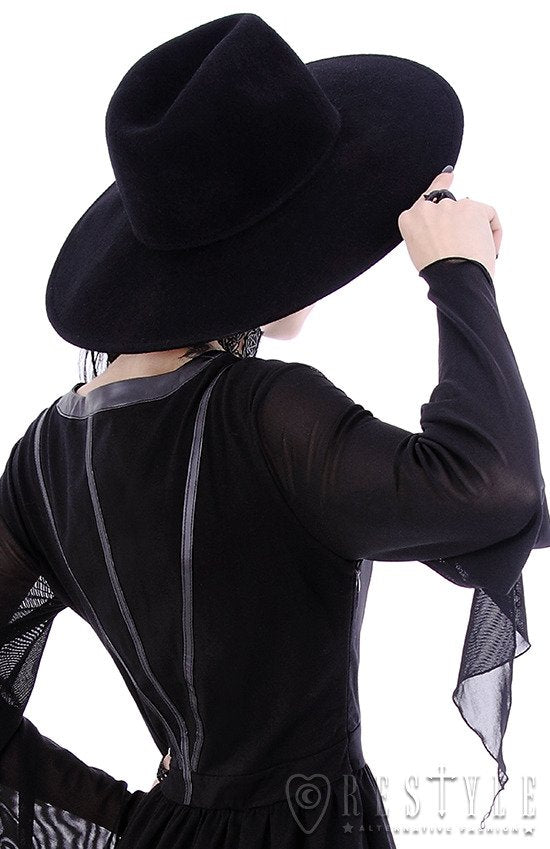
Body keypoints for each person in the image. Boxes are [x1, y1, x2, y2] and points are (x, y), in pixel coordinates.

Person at [1, 12, 548, 848]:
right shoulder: (263, 411)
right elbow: (492, 490)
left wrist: (138, 822)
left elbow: (467, 504)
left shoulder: (42, 457)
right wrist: (459, 275)